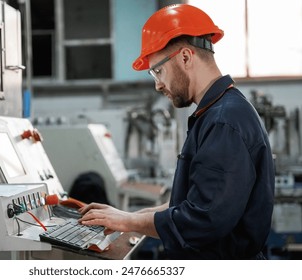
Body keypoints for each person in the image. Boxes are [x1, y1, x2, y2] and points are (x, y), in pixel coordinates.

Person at [79, 4, 275, 259]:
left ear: (185, 57)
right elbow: (189, 204)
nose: (158, 84)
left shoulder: (224, 121)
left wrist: (127, 223)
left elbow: (202, 220)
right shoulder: (214, 113)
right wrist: (124, 217)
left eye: (158, 71)